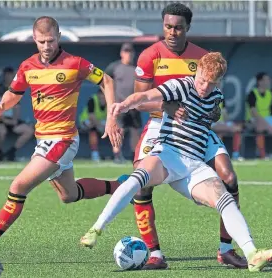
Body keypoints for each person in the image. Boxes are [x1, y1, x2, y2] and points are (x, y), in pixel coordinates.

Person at [76, 3, 247, 269]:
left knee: (229, 177)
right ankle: (155, 254)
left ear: (188, 28)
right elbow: (142, 100)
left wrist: (214, 113)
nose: (172, 32)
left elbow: (214, 100)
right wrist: (167, 107)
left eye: (178, 28)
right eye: (168, 26)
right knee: (143, 183)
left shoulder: (203, 57)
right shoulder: (149, 56)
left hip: (197, 129)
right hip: (161, 125)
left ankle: (226, 249)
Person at [81, 52, 272, 273]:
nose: (205, 86)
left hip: (194, 165)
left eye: (211, 82)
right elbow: (146, 96)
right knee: (137, 179)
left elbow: (211, 117)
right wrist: (123, 105)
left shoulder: (216, 97)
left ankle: (252, 254)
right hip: (167, 155)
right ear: (196, 71)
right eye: (202, 79)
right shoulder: (181, 85)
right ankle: (96, 230)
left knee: (224, 198)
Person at [0, 16, 123, 260]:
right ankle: (122, 187)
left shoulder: (75, 63)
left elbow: (107, 80)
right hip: (44, 140)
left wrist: (112, 117)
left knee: (17, 187)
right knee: (68, 195)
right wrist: (1, 107)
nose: (46, 46)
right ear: (34, 39)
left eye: (50, 40)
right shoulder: (28, 66)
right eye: (41, 41)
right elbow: (14, 93)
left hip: (63, 139)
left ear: (58, 37)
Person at [105, 43, 142, 163]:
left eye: (130, 52)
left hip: (134, 105)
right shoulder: (114, 67)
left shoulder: (137, 69)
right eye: (126, 51)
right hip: (118, 105)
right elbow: (105, 82)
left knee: (135, 130)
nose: (128, 54)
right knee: (118, 130)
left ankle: (133, 156)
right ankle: (117, 155)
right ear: (121, 53)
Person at [0, 67, 34, 161]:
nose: (8, 77)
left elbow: (17, 107)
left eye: (10, 75)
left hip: (12, 120)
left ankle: (11, 153)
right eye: (7, 75)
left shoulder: (16, 88)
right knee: (1, 132)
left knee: (28, 131)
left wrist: (14, 120)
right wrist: (4, 120)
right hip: (1, 120)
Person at [79, 88, 108, 162]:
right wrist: (101, 126)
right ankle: (95, 154)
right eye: (101, 95)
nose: (103, 98)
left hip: (102, 123)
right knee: (92, 127)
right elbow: (91, 117)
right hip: (86, 122)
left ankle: (117, 154)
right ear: (98, 95)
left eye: (104, 96)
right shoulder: (92, 100)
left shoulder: (110, 101)